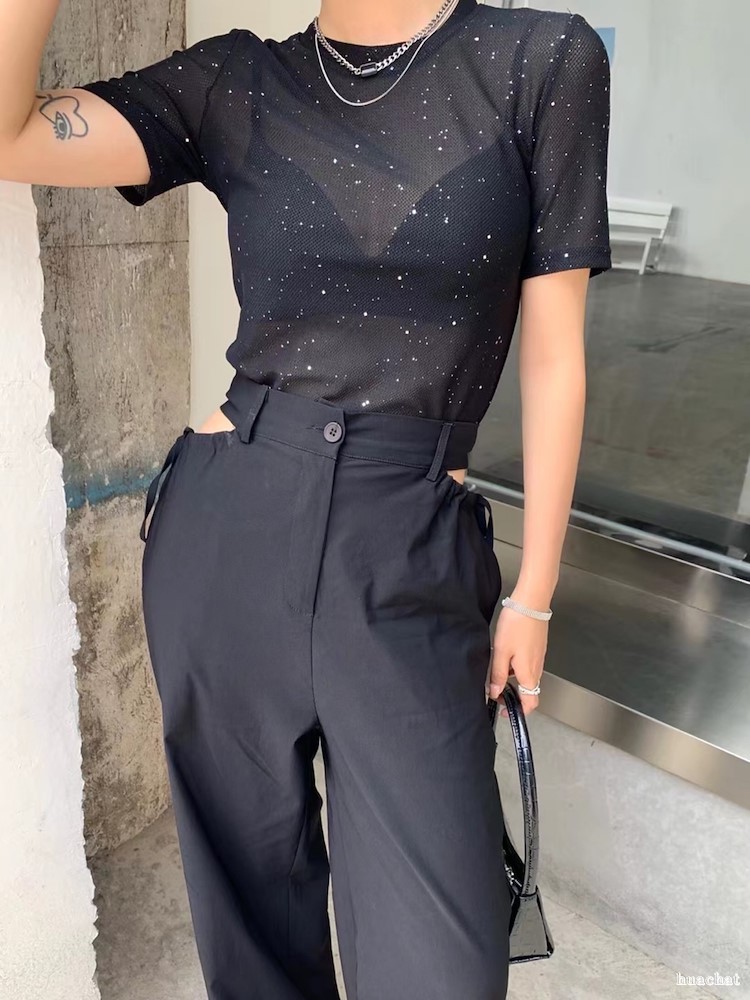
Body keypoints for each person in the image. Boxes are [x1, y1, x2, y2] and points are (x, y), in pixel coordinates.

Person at [0, 0, 611, 996]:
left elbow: (554, 357)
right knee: (254, 928)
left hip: (411, 540)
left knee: (442, 963)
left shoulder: (540, 60)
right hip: (230, 526)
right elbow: (12, 135)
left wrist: (535, 591)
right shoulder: (237, 79)